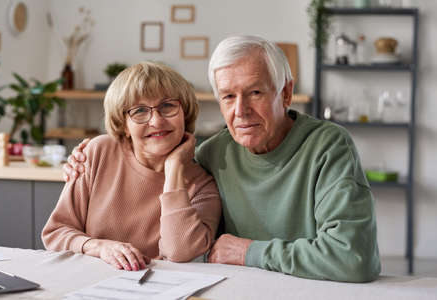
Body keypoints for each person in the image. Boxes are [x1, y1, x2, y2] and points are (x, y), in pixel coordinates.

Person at [63, 36, 381, 282]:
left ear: (285, 93)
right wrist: (80, 160)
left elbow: (353, 257)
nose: (240, 111)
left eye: (255, 92)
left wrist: (249, 252)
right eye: (228, 96)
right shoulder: (211, 154)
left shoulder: (328, 146)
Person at [42, 62, 221, 272]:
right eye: (140, 111)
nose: (156, 121)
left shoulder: (203, 186)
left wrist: (173, 170)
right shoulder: (98, 152)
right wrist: (99, 247)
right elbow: (55, 233)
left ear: (185, 113)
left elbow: (179, 252)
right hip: (89, 282)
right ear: (123, 125)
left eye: (168, 106)